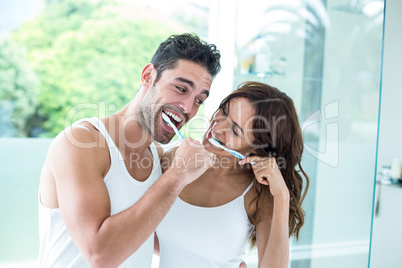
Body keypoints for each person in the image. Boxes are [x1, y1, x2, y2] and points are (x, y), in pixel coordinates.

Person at [38, 33, 221, 267]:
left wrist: (222, 262)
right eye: (181, 88)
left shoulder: (157, 158)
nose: (187, 107)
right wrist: (178, 175)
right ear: (148, 76)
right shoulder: (80, 143)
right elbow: (100, 255)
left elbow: (150, 236)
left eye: (199, 100)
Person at [155, 81, 310, 268]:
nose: (217, 128)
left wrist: (282, 197)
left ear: (256, 147)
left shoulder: (259, 195)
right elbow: (157, 237)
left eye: (235, 130)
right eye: (224, 111)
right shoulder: (175, 159)